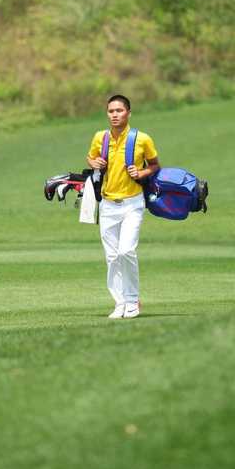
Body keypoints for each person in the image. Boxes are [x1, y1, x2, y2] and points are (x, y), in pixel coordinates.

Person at [86, 94, 160, 319]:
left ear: (128, 112)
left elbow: (155, 165)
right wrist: (94, 162)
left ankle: (132, 300)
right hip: (107, 204)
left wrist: (142, 172)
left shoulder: (142, 139)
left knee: (126, 251)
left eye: (119, 110)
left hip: (133, 203)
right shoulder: (101, 137)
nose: (115, 115)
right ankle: (119, 302)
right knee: (112, 256)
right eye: (111, 111)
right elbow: (90, 158)